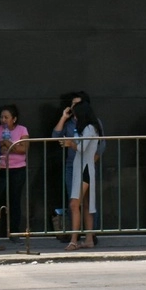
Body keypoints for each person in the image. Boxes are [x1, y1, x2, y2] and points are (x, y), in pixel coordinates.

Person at [51, 91, 106, 239]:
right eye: (73, 104)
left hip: (86, 166)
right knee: (75, 201)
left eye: (78, 104)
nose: (74, 107)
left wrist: (88, 161)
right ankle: (77, 235)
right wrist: (64, 117)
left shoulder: (91, 124)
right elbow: (55, 136)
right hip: (72, 165)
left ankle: (87, 235)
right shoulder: (70, 123)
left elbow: (99, 146)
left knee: (84, 202)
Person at [66, 102, 102, 251]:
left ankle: (74, 240)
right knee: (86, 204)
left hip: (84, 169)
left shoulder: (89, 128)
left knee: (74, 204)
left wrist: (70, 144)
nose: (74, 118)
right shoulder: (89, 128)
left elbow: (82, 148)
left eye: (76, 115)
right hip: (83, 168)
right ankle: (88, 239)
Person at [0, 105, 29, 244]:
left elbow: (24, 148)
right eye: (1, 117)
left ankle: (14, 232)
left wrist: (7, 143)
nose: (3, 120)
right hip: (0, 169)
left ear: (14, 119)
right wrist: (9, 146)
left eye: (6, 117)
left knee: (14, 201)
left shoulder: (22, 130)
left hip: (17, 169)